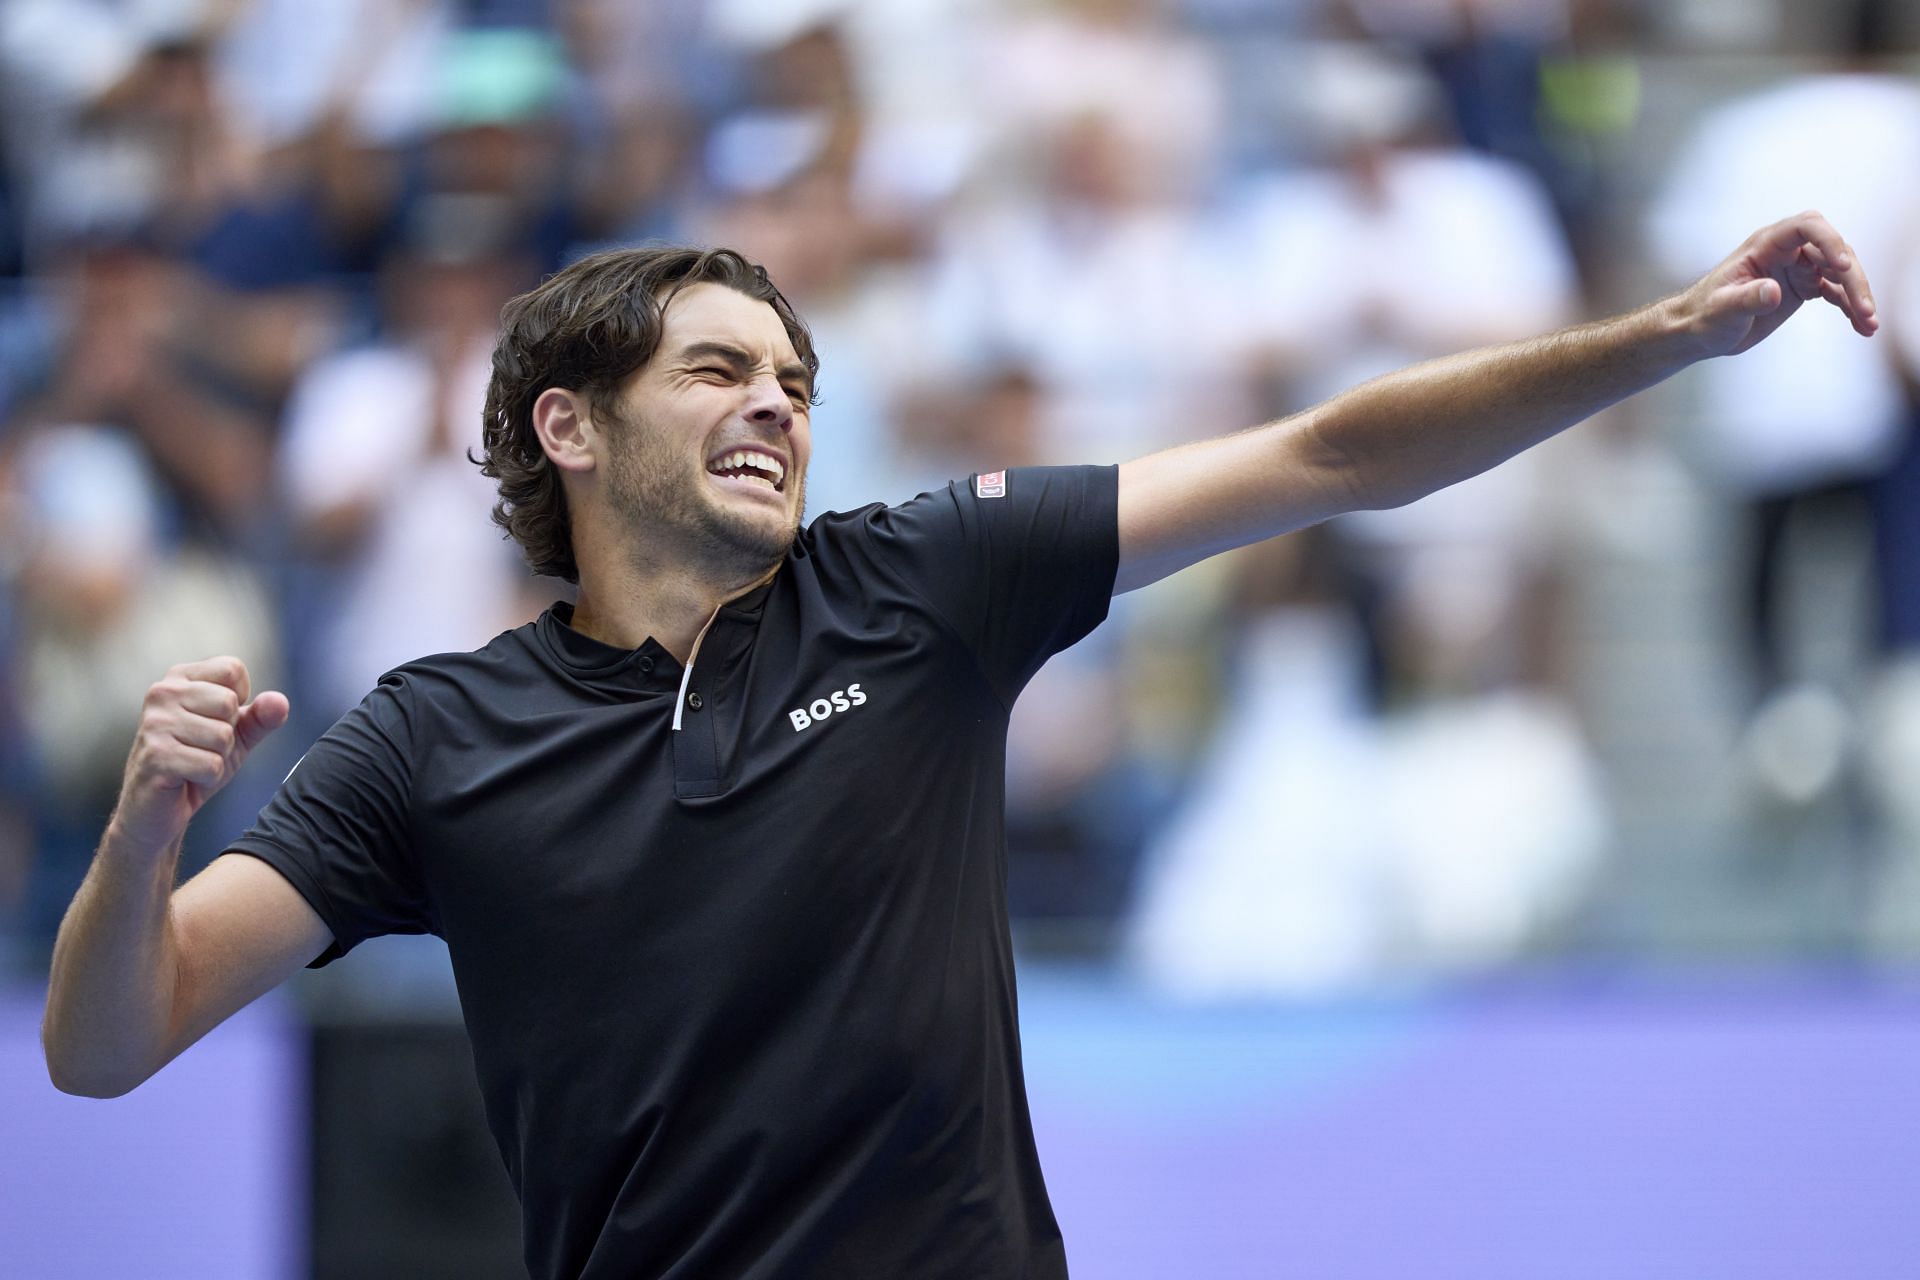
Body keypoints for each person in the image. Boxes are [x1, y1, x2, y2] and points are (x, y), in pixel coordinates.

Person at [40, 217, 1877, 1279]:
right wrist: (146, 837)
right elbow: (112, 1044)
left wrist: (1664, 337)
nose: (776, 400)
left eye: (795, 381)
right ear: (569, 430)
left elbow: (1328, 453)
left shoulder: (922, 582)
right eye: (716, 371)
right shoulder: (435, 736)